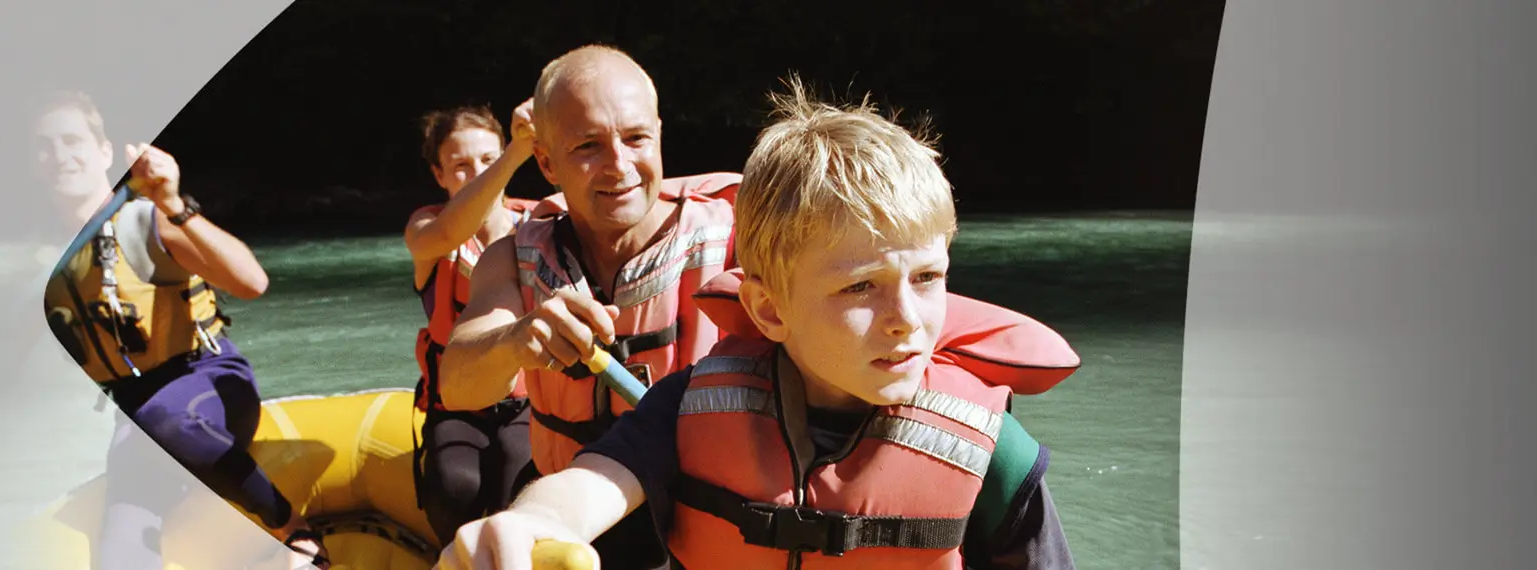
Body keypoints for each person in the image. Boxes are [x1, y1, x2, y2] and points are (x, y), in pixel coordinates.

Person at [435, 78, 1083, 570]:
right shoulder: (686, 408)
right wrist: (532, 522)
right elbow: (590, 485)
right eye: (861, 287)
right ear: (770, 310)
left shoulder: (992, 453)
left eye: (926, 277)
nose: (906, 321)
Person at [435, 45, 739, 570]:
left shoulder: (737, 239)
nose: (619, 165)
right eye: (588, 146)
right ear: (547, 162)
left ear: (659, 135)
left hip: (705, 512)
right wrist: (514, 339)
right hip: (572, 514)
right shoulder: (512, 257)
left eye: (636, 138)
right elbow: (459, 386)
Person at [33, 91, 331, 569]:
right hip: (135, 416)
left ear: (105, 153)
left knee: (163, 418)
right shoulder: (43, 261)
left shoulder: (147, 221)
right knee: (119, 556)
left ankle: (290, 526)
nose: (60, 155)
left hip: (209, 384)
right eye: (44, 147)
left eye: (72, 141)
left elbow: (252, 282)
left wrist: (173, 203)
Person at [403, 101, 548, 547]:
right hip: (455, 402)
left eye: (488, 159)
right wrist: (516, 153)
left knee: (517, 478)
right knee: (455, 486)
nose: (478, 173)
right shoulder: (427, 228)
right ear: (439, 175)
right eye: (460, 166)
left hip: (527, 401)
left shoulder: (540, 222)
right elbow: (448, 234)